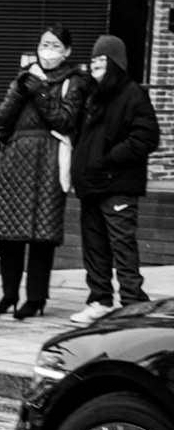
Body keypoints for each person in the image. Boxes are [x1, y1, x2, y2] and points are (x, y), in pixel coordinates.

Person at [0, 25, 92, 320]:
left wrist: (42, 92)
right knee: (8, 231)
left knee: (41, 232)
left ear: (67, 51)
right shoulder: (24, 77)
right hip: (17, 157)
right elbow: (1, 117)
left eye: (56, 45)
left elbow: (66, 120)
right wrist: (21, 90)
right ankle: (8, 294)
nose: (48, 50)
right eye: (44, 43)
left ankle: (35, 298)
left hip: (50, 156)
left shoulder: (75, 81)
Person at [68, 34, 160, 325]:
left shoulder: (133, 94)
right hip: (92, 184)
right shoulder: (93, 95)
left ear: (115, 62)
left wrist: (108, 157)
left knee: (122, 245)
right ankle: (99, 300)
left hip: (117, 184)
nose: (94, 64)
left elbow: (147, 137)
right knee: (94, 246)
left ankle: (133, 302)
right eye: (92, 58)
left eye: (101, 59)